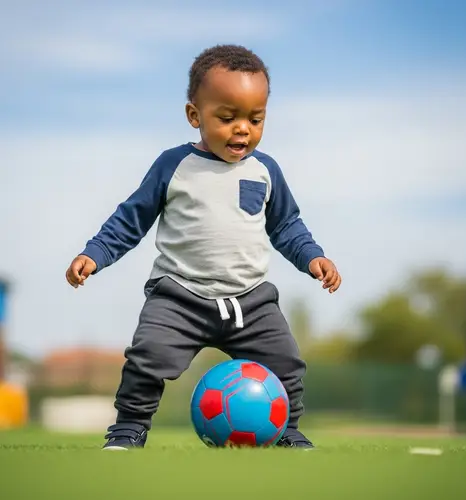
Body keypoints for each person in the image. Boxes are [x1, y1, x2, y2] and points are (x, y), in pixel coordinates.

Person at [65, 44, 341, 450]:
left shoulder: (265, 171)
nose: (242, 128)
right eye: (227, 118)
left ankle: (286, 430)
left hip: (251, 300)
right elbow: (131, 218)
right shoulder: (174, 165)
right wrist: (95, 254)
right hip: (179, 296)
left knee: (286, 364)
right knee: (147, 356)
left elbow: (286, 225)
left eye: (255, 118)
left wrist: (313, 257)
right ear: (195, 116)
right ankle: (128, 428)